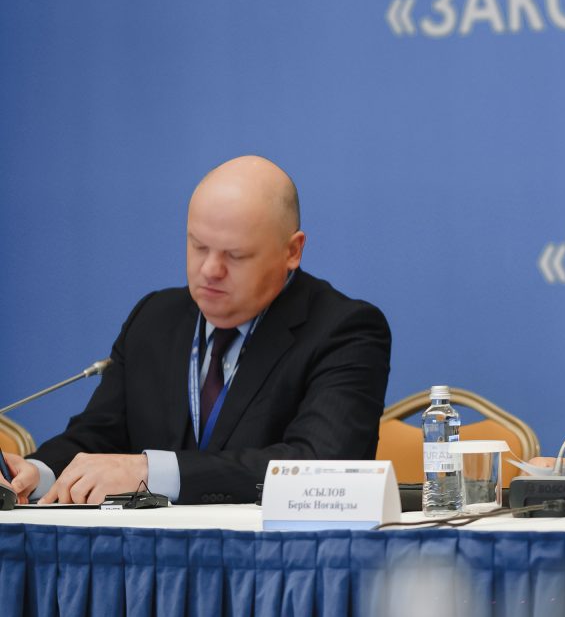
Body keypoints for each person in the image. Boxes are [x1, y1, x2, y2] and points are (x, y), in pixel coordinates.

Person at [0, 155, 391, 505]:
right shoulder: (154, 318)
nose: (210, 270)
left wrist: (152, 473)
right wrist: (38, 472)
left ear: (292, 251)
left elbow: (320, 466)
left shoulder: (344, 330)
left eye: (235, 255)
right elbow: (98, 435)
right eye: (198, 246)